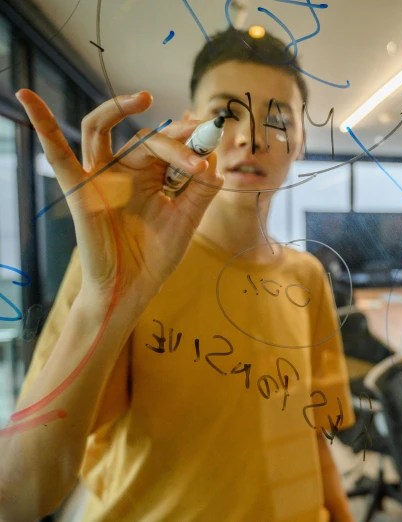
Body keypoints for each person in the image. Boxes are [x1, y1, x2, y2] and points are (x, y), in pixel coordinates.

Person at [1, 30, 356, 521]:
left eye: (277, 119)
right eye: (227, 112)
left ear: (300, 143)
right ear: (193, 124)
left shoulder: (308, 277)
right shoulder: (127, 263)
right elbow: (20, 494)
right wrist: (106, 299)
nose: (251, 137)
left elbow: (312, 430)